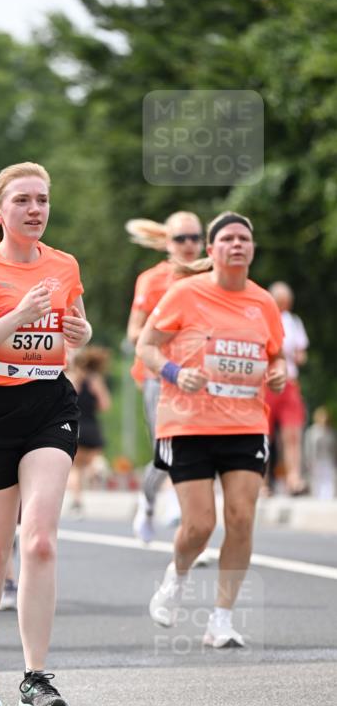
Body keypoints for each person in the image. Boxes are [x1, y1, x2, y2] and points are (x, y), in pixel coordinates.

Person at [0, 161, 91, 706]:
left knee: (41, 541)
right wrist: (17, 316)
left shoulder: (64, 264)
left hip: (50, 403)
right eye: (23, 200)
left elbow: (75, 327)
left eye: (42, 200)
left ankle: (36, 677)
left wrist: (82, 331)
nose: (35, 210)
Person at [136, 212, 286, 648]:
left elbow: (275, 355)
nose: (237, 245)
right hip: (188, 422)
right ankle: (176, 576)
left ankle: (221, 619)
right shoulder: (185, 293)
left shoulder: (263, 302)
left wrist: (277, 373)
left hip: (244, 423)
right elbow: (146, 344)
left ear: (252, 249)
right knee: (199, 525)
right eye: (228, 239)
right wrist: (173, 371)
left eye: (244, 238)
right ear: (212, 250)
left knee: (241, 518)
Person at [125, 212, 204, 542]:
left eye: (194, 238)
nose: (188, 245)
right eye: (180, 239)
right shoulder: (152, 280)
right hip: (160, 375)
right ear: (167, 243)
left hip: (199, 377)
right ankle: (148, 503)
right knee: (165, 452)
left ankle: (188, 528)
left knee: (199, 449)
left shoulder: (210, 276)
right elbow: (134, 334)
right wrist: (170, 335)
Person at [266, 281, 309, 495]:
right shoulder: (264, 317)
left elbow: (301, 352)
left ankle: (294, 478)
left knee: (292, 432)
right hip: (267, 381)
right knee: (263, 434)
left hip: (289, 382)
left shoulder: (293, 322)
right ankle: (262, 482)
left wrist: (294, 355)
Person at [66, 346, 111, 515]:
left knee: (75, 468)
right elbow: (105, 405)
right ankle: (97, 470)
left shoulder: (71, 379)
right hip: (92, 426)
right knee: (94, 459)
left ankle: (77, 502)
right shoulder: (95, 380)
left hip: (75, 426)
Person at [304, 407, 336, 499]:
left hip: (328, 460)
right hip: (316, 460)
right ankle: (317, 497)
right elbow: (309, 448)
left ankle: (328, 497)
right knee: (316, 479)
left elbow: (333, 448)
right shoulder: (312, 432)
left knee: (328, 479)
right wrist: (309, 460)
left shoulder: (330, 432)